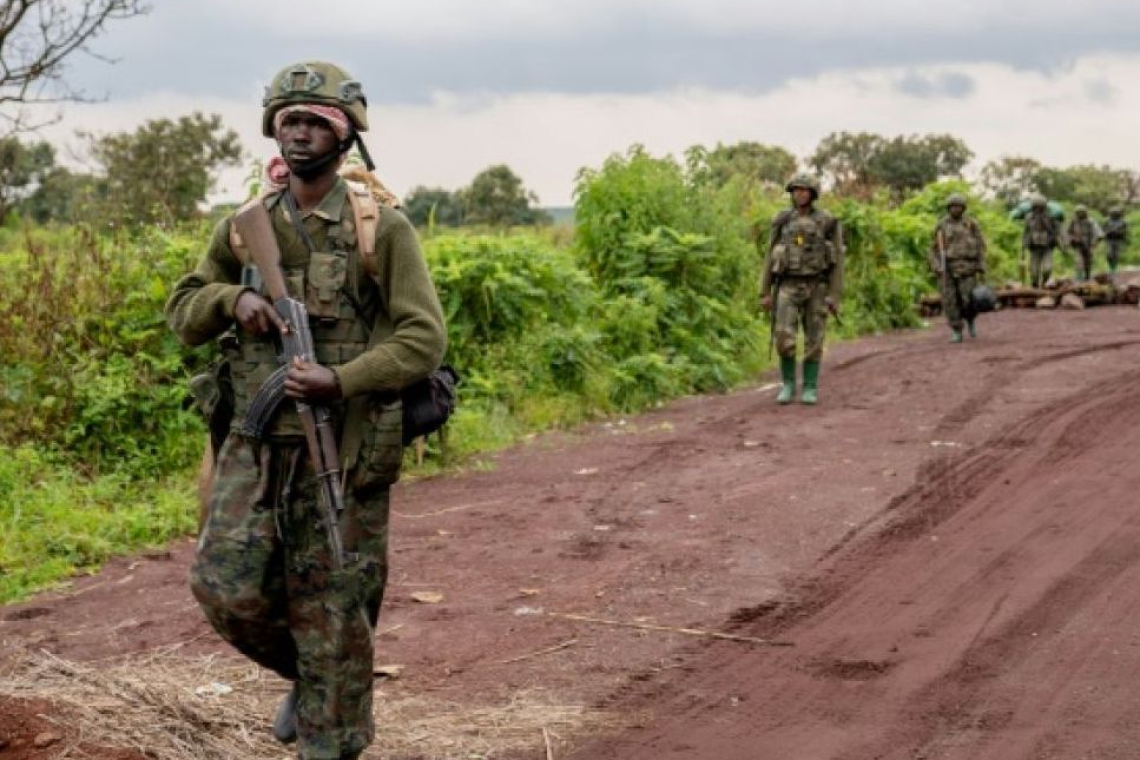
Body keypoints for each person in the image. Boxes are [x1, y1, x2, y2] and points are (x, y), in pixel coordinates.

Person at [165, 61, 446, 760]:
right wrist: (235, 300)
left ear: (345, 137)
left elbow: (423, 338)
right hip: (255, 442)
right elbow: (184, 311)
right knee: (223, 587)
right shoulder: (244, 228)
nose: (298, 132)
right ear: (273, 128)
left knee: (334, 605)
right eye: (288, 119)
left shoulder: (383, 229)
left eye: (315, 121)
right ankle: (322, 676)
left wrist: (341, 378)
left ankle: (332, 731)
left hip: (344, 449)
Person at [760, 173, 844, 405]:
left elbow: (838, 261)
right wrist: (764, 291)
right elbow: (769, 254)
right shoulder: (782, 220)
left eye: (804, 190)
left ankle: (809, 386)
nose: (799, 194)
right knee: (784, 336)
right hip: (787, 285)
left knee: (814, 337)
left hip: (816, 285)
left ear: (813, 194)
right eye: (795, 190)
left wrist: (834, 295)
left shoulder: (827, 221)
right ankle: (788, 384)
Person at [930, 193, 986, 343]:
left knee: (968, 299)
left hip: (967, 267)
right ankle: (956, 330)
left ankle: (970, 320)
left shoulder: (971, 224)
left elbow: (980, 245)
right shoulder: (941, 225)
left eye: (958, 207)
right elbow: (933, 249)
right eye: (953, 207)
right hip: (947, 268)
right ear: (949, 208)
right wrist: (937, 266)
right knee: (950, 301)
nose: (956, 210)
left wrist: (981, 265)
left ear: (963, 208)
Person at [1022, 194, 1060, 288]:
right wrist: (1023, 247)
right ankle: (1034, 286)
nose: (1038, 209)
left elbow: (1057, 231)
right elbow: (1026, 232)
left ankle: (1044, 284)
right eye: (1036, 207)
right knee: (1033, 271)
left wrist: (1060, 243)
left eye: (1040, 207)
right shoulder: (1029, 217)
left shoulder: (1051, 217)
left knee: (1047, 269)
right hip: (1034, 247)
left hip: (1047, 247)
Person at [1064, 205, 1103, 281]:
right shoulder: (1073, 221)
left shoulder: (1091, 221)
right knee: (1078, 261)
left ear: (1085, 212)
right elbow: (1067, 232)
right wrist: (1072, 238)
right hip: (1077, 245)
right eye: (1078, 213)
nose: (1080, 214)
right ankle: (1078, 277)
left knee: (1088, 262)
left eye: (1081, 212)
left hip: (1088, 244)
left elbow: (1098, 233)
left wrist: (1093, 243)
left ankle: (1087, 277)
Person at [1103, 206, 1130, 274]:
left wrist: (1121, 233)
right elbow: (1103, 229)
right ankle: (1110, 266)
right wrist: (1108, 232)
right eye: (1113, 213)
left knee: (1116, 254)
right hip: (1109, 239)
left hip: (1119, 239)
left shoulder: (1123, 222)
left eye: (1116, 213)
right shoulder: (1107, 221)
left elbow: (1126, 230)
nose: (1114, 214)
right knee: (1109, 254)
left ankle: (1114, 268)